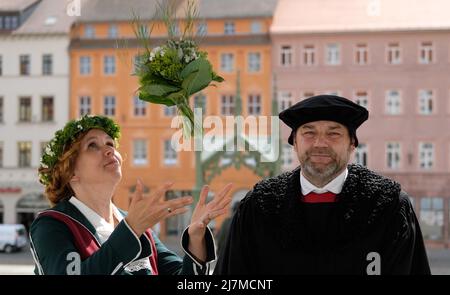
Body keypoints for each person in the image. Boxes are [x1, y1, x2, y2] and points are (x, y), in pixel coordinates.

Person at [215, 95, 431, 275]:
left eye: (333, 133)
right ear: (295, 143)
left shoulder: (388, 206)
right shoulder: (259, 207)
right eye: (309, 133)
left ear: (352, 143)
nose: (320, 143)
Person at [30, 115, 233, 275]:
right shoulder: (51, 225)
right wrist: (130, 230)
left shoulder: (135, 223)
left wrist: (196, 236)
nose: (109, 150)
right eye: (93, 145)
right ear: (70, 172)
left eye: (110, 144)